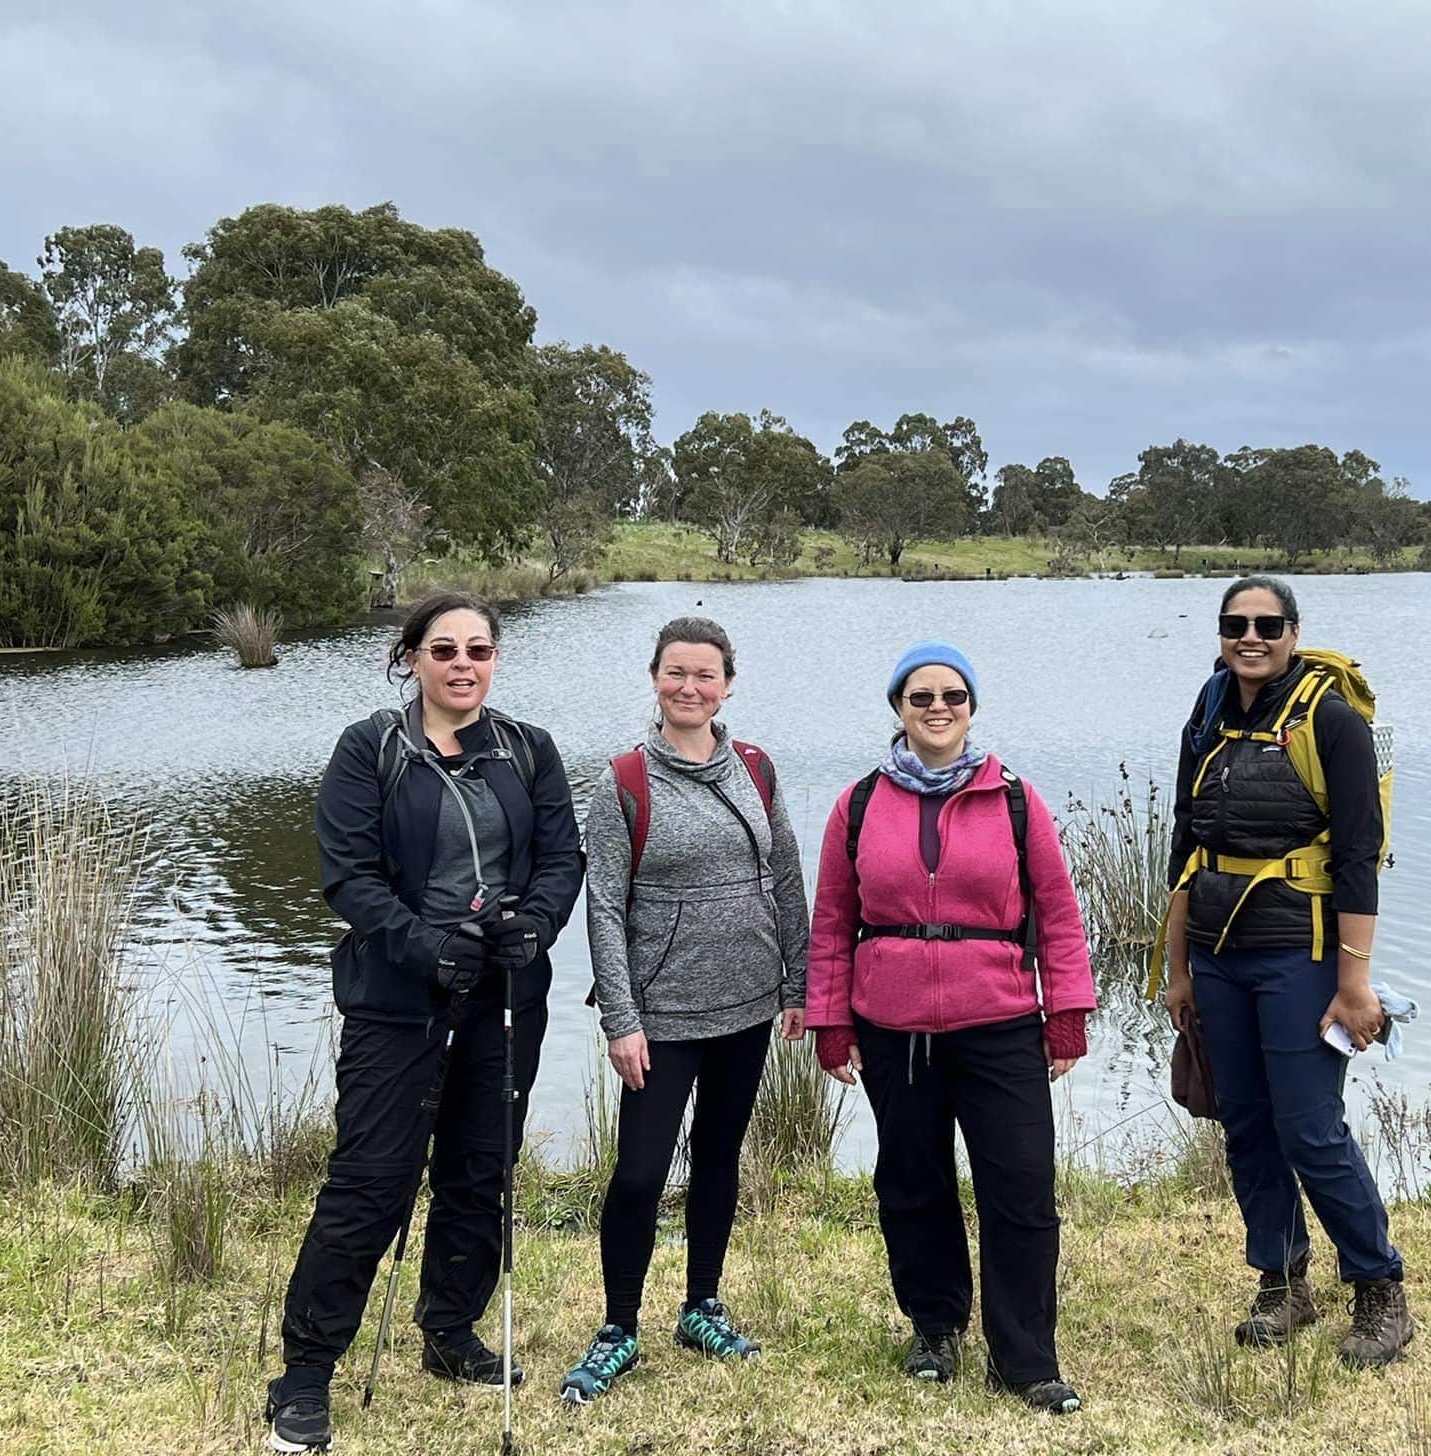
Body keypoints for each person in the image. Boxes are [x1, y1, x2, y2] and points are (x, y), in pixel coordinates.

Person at [266, 592, 583, 1454]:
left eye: (478, 650)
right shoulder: (370, 749)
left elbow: (562, 857)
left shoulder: (529, 750)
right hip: (397, 1001)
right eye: (443, 649)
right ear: (410, 658)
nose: (462, 664)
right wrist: (426, 946)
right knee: (371, 1181)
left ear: (495, 659)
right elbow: (349, 876)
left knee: (483, 1170)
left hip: (504, 998)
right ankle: (304, 1373)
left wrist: (537, 924)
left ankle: (449, 1330)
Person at [807, 640, 1097, 1416]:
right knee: (910, 1182)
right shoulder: (859, 803)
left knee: (1022, 1188)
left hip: (1000, 1023)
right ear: (898, 708)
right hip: (893, 1027)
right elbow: (832, 919)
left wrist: (1065, 1012)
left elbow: (1059, 912)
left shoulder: (1014, 800)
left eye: (953, 697)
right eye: (921, 696)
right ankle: (936, 1327)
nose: (938, 708)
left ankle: (1026, 1357)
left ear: (972, 708)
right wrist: (831, 1021)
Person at [1159, 576, 1415, 1369]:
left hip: (1301, 955)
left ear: (1294, 632)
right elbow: (1184, 842)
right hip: (1217, 954)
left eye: (1268, 624)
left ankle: (1379, 1289)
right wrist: (1176, 970)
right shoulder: (1208, 708)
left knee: (1310, 1128)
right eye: (1237, 623)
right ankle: (1282, 1281)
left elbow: (1357, 859)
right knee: (1246, 1125)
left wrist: (1354, 982)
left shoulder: (1332, 722)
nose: (1252, 636)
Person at [560, 616, 809, 1406]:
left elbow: (788, 880)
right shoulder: (625, 781)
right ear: (655, 678)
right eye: (676, 673)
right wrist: (621, 1021)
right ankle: (618, 1328)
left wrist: (799, 986)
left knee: (719, 1161)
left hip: (748, 1005)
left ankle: (701, 1305)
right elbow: (604, 907)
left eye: (706, 675)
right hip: (661, 1017)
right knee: (637, 1175)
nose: (690, 687)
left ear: (727, 684)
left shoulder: (757, 770)